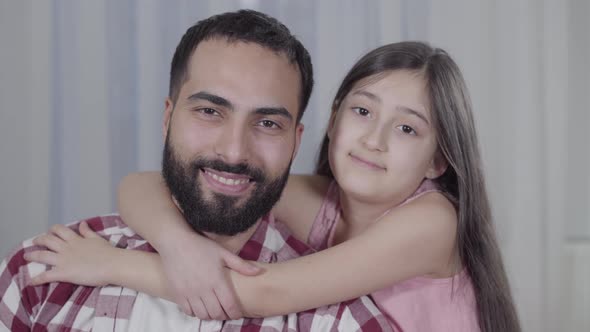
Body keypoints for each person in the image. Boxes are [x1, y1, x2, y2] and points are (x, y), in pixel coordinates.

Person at [26, 41, 522, 332]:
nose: (374, 140)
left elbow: (264, 294)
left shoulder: (432, 222)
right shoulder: (324, 203)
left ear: (438, 159)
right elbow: (143, 185)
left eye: (408, 128)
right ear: (332, 120)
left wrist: (112, 265)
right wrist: (179, 247)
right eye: (363, 111)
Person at [0, 10, 393, 332]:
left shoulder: (343, 321)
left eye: (268, 123)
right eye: (209, 112)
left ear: (295, 140)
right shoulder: (40, 273)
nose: (234, 150)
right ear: (168, 117)